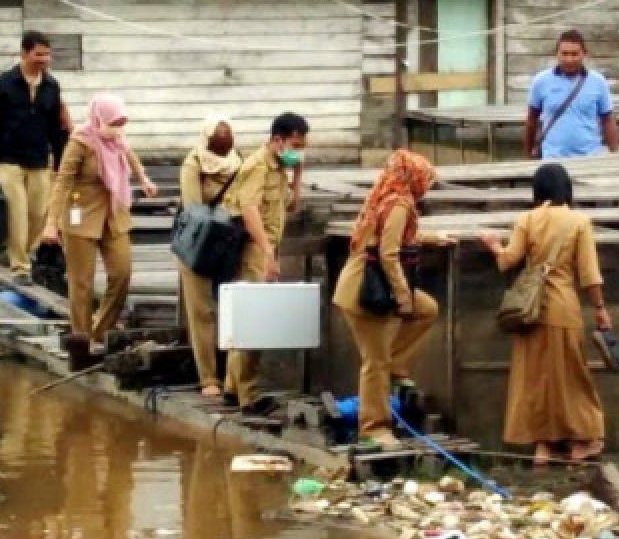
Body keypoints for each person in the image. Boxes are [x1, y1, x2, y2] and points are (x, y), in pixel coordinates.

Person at [477, 162, 612, 465]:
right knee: (573, 377)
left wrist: (494, 246)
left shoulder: (527, 219)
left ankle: (543, 448)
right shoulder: (578, 222)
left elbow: (508, 261)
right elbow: (590, 275)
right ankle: (581, 443)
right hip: (563, 308)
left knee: (536, 380)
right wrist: (601, 310)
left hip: (530, 311)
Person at [331, 149, 452, 447]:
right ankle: (373, 428)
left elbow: (392, 237)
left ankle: (397, 364)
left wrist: (435, 238)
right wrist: (402, 296)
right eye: (426, 179)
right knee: (374, 362)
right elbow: (388, 253)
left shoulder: (385, 196)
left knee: (427, 310)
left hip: (368, 281)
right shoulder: (399, 202)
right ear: (414, 178)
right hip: (367, 288)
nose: (428, 185)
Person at [42, 93, 157, 368]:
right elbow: (62, 182)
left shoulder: (116, 140)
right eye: (113, 122)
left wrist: (144, 179)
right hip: (81, 213)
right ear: (99, 118)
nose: (117, 128)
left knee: (121, 272)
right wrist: (51, 223)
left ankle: (99, 329)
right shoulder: (81, 142)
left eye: (121, 123)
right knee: (81, 282)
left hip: (113, 214)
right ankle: (81, 342)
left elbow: (130, 156)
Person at [220, 112, 310, 414]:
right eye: (294, 145)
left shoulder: (279, 168)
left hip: (268, 246)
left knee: (250, 319)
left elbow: (292, 206)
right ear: (277, 140)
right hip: (253, 249)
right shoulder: (256, 166)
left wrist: (297, 175)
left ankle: (234, 388)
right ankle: (248, 394)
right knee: (252, 322)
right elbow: (249, 211)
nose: (297, 150)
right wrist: (268, 252)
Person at [0, 31, 72, 279]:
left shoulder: (51, 86)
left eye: (47, 54)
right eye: (38, 54)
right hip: (9, 159)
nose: (44, 59)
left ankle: (30, 253)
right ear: (24, 53)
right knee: (16, 213)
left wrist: (60, 158)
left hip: (39, 158)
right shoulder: (3, 83)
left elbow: (56, 126)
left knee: (38, 213)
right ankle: (19, 265)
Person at [177, 114, 243, 398]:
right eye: (219, 134)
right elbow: (194, 208)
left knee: (232, 306)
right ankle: (208, 377)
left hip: (231, 243)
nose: (223, 139)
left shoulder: (240, 161)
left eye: (227, 134)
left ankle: (233, 374)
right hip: (200, 242)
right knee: (201, 309)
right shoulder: (194, 163)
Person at [523, 30, 619, 160]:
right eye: (564, 54)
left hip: (590, 157)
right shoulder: (541, 81)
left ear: (584, 54)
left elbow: (608, 120)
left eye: (575, 54)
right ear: (556, 54)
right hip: (553, 158)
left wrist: (615, 154)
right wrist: (529, 153)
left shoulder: (598, 81)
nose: (569, 59)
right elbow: (531, 120)